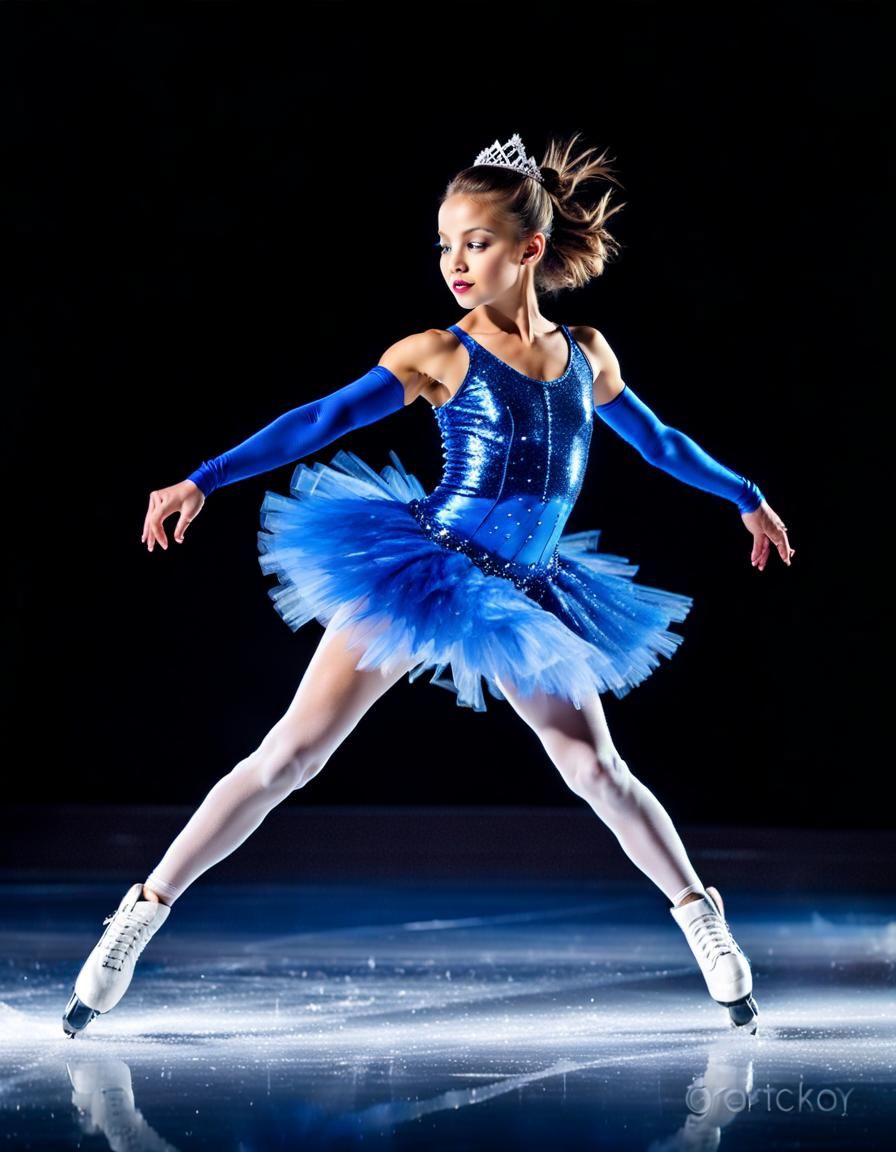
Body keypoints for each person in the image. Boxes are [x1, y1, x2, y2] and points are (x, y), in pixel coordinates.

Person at [63, 131, 793, 1039]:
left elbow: (660, 441)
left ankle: (703, 921)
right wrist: (201, 478)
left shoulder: (588, 352)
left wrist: (746, 496)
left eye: (476, 242)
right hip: (425, 572)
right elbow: (320, 418)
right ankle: (139, 914)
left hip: (529, 589)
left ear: (529, 249)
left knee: (595, 768)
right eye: (445, 244)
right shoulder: (436, 354)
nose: (454, 261)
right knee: (292, 756)